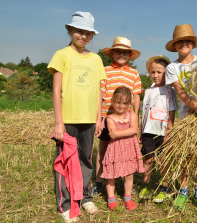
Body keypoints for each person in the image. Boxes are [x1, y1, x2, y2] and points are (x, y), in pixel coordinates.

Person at [48, 11, 106, 223]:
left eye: (88, 33)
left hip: (89, 119)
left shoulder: (96, 59)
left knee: (86, 159)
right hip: (68, 118)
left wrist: (99, 118)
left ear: (92, 36)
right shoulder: (62, 55)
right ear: (70, 31)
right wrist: (59, 122)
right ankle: (64, 203)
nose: (83, 36)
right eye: (79, 32)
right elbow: (56, 91)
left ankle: (86, 197)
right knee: (64, 161)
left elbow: (99, 92)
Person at [165, 24, 197, 211]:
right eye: (179, 42)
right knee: (186, 155)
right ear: (175, 46)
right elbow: (180, 91)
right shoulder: (172, 67)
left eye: (187, 41)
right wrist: (196, 107)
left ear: (192, 44)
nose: (184, 44)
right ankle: (183, 191)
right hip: (186, 117)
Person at [91, 36, 143, 196]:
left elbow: (136, 96)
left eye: (125, 52)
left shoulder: (134, 73)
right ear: (112, 53)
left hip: (126, 119)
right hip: (108, 117)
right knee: (103, 150)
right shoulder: (105, 71)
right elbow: (100, 95)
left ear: (129, 55)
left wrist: (135, 115)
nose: (121, 55)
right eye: (118, 52)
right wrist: (98, 119)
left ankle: (125, 181)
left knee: (126, 152)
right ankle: (99, 181)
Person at [137, 55, 178, 202]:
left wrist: (169, 130)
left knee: (164, 160)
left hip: (162, 132)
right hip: (148, 131)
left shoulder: (170, 91)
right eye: (153, 72)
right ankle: (146, 185)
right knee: (148, 159)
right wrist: (141, 131)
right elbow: (144, 113)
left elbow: (172, 112)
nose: (155, 75)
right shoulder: (148, 91)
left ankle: (164, 188)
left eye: (159, 72)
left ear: (166, 73)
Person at [101, 86, 145, 211]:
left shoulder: (132, 115)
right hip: (114, 150)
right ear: (113, 101)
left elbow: (134, 130)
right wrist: (127, 131)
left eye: (125, 103)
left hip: (129, 149)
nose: (121, 106)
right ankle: (111, 200)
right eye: (118, 102)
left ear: (129, 104)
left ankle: (127, 197)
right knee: (111, 175)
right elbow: (112, 134)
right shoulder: (109, 118)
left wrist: (118, 133)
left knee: (129, 175)